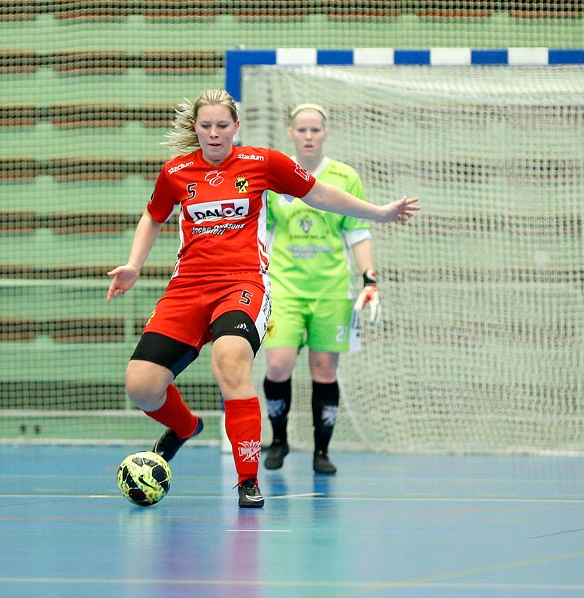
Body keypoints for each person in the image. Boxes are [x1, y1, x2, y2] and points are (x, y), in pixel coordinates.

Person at [107, 89, 419, 508]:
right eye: (206, 126)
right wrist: (134, 264)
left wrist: (378, 212)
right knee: (141, 388)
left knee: (230, 361)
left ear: (236, 126)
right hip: (187, 288)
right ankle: (183, 428)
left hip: (243, 283)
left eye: (222, 125)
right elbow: (154, 215)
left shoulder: (262, 163)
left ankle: (248, 479)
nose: (214, 134)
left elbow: (320, 194)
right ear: (195, 129)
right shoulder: (176, 172)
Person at [259, 104, 380, 476]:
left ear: (325, 133)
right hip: (284, 288)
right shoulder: (275, 174)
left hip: (331, 289)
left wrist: (370, 278)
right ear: (291, 133)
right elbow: (261, 229)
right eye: (302, 130)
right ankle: (278, 439)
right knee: (278, 366)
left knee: (325, 371)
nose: (308, 136)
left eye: (315, 130)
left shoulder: (344, 177)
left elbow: (357, 233)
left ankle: (321, 451)